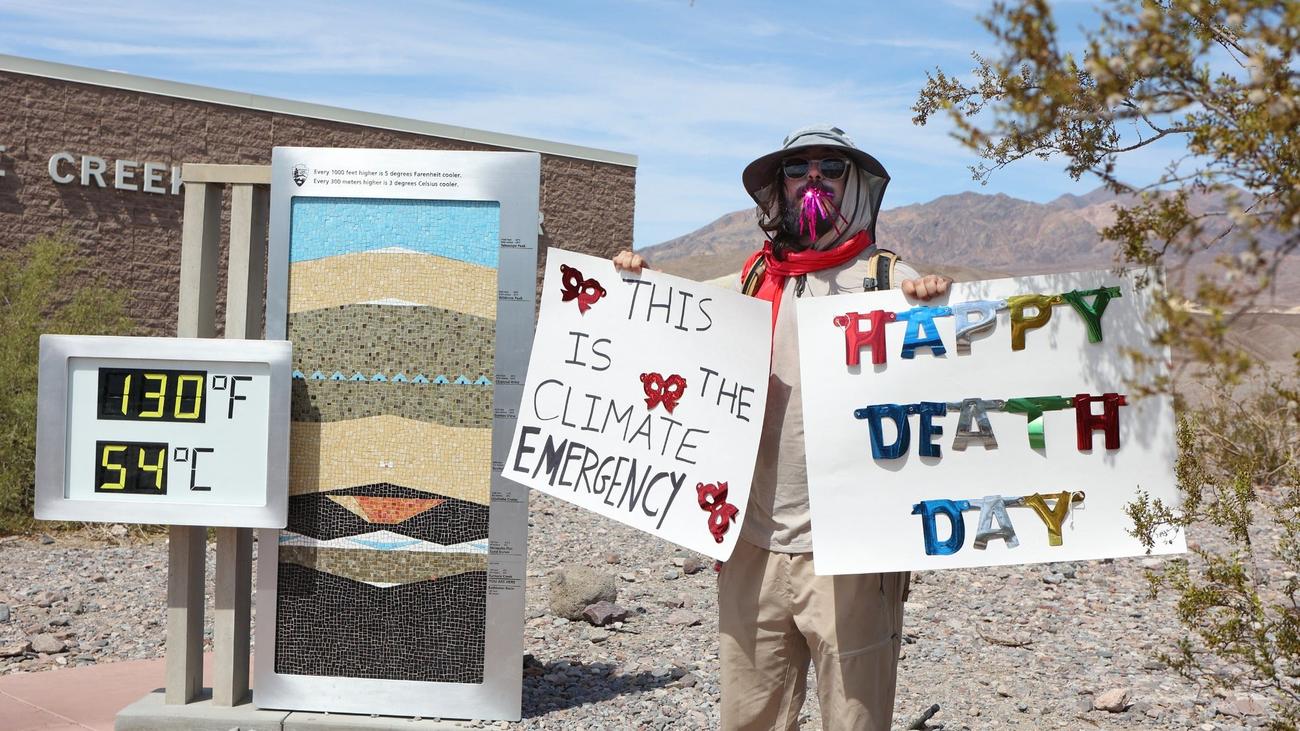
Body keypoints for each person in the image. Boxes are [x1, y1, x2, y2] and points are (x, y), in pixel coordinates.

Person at [615, 124, 950, 731]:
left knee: (854, 718)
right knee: (750, 715)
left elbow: (946, 348)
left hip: (848, 545)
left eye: (830, 168)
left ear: (853, 185)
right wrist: (636, 278)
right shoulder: (753, 278)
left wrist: (930, 301)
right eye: (799, 170)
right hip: (752, 540)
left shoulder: (885, 280)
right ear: (779, 187)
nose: (813, 180)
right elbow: (672, 313)